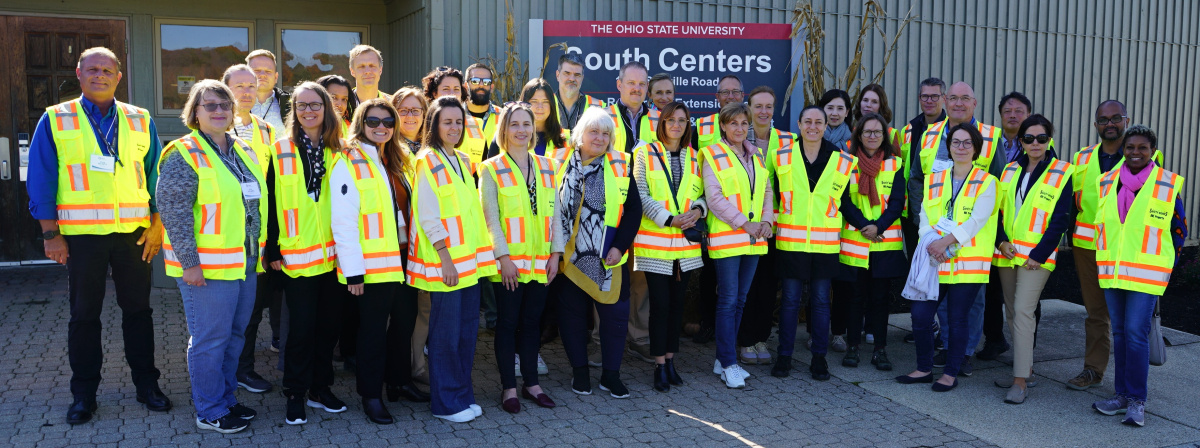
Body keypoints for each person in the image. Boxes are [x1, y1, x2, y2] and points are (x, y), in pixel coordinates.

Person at [26, 47, 170, 425]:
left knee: (139, 311)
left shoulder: (140, 118)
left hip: (133, 234)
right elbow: (42, 176)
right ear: (79, 72)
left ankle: (146, 385)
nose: (100, 75)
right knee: (84, 316)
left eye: (108, 70)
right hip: (82, 237)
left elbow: (155, 174)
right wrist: (49, 234)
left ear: (119, 77)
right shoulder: (56, 119)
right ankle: (83, 394)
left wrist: (158, 223)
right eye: (93, 69)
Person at [157, 80, 266, 433]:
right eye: (210, 105)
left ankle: (227, 398)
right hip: (205, 269)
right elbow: (173, 212)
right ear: (195, 112)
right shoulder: (183, 152)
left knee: (235, 337)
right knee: (209, 339)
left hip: (243, 263)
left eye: (225, 104)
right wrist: (189, 263)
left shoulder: (241, 149)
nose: (219, 111)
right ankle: (209, 410)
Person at [330, 99, 427, 424]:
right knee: (372, 332)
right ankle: (371, 395)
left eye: (388, 122)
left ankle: (398, 382)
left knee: (404, 324)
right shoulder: (349, 159)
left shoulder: (399, 157)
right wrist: (353, 272)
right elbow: (343, 221)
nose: (381, 127)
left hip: (404, 257)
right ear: (361, 122)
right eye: (373, 121)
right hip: (371, 265)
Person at [407, 96, 497, 422]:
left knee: (465, 335)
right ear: (434, 125)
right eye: (447, 122)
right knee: (445, 337)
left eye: (458, 122)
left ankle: (462, 395)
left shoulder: (461, 158)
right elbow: (428, 216)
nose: (454, 127)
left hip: (469, 264)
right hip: (446, 263)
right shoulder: (427, 160)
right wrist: (445, 257)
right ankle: (446, 403)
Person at [1090, 125, 1187, 427]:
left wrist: (1165, 267)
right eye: (1130, 147)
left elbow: (1179, 231)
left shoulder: (1166, 184)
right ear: (1123, 148)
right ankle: (1120, 396)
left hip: (1146, 275)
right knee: (1119, 333)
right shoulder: (1106, 181)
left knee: (1135, 334)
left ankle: (1136, 400)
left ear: (1152, 150)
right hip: (1113, 272)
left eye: (1142, 147)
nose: (1135, 152)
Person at [909, 82, 1006, 372]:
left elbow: (999, 186)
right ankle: (949, 347)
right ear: (944, 102)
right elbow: (916, 179)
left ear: (974, 103)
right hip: (934, 237)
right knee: (938, 299)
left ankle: (963, 353)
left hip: (971, 241)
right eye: (953, 98)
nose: (958, 103)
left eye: (965, 98)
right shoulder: (929, 135)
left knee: (970, 303)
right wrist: (924, 226)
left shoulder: (990, 137)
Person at [270, 82, 350, 425]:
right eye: (301, 105)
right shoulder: (280, 149)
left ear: (326, 108)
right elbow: (271, 202)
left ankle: (321, 388)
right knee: (300, 331)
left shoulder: (343, 150)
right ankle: (295, 393)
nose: (308, 110)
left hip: (335, 257)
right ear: (295, 110)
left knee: (328, 329)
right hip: (296, 257)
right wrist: (271, 246)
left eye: (315, 104)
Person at [897, 123, 998, 392]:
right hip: (935, 260)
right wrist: (932, 243)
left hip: (967, 264)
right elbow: (924, 217)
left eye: (967, 143)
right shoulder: (934, 178)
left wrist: (944, 242)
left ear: (976, 148)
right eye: (956, 142)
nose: (961, 147)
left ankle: (950, 373)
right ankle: (923, 368)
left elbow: (976, 221)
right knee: (920, 315)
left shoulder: (988, 182)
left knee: (957, 318)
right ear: (949, 146)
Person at [479, 103, 562, 413]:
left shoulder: (548, 166)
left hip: (541, 263)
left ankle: (532, 384)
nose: (521, 130)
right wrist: (503, 258)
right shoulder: (491, 168)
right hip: (510, 265)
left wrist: (556, 254)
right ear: (504, 130)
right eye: (514, 124)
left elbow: (555, 216)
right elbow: (491, 219)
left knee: (531, 324)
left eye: (526, 124)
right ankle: (508, 388)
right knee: (507, 324)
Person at [555, 106, 643, 398]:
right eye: (594, 131)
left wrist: (620, 247)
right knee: (572, 318)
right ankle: (580, 373)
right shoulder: (558, 163)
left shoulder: (620, 164)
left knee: (616, 319)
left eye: (606, 133)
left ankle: (611, 376)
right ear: (580, 135)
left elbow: (633, 210)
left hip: (609, 258)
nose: (600, 138)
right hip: (568, 257)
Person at [768, 105, 860, 381]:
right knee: (790, 302)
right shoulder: (781, 157)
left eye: (818, 122)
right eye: (807, 121)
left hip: (825, 244)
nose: (813, 126)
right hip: (790, 243)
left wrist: (867, 224)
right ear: (798, 124)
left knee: (820, 302)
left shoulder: (842, 160)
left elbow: (844, 202)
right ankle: (784, 356)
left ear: (825, 125)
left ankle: (819, 358)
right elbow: (771, 197)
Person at [990, 114, 1073, 404]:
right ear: (1021, 141)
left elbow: (1061, 220)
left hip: (1037, 258)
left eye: (1041, 138)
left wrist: (1038, 254)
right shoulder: (1010, 170)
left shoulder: (1062, 172)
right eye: (1028, 138)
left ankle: (1020, 381)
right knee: (1012, 313)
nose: (1034, 143)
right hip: (1008, 254)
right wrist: (1000, 241)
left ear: (1049, 139)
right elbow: (998, 212)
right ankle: (1026, 368)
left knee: (1024, 311)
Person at [631, 100, 706, 392]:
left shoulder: (695, 156)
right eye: (671, 119)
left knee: (677, 306)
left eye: (682, 121)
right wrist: (669, 219)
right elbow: (640, 194)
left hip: (685, 245)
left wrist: (699, 211)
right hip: (656, 243)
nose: (676, 125)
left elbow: (703, 194)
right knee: (660, 306)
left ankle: (672, 360)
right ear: (661, 123)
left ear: (688, 125)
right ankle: (659, 364)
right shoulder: (644, 153)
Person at [700, 102, 774, 389]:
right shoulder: (712, 154)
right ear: (723, 126)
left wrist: (767, 221)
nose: (740, 128)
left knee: (740, 300)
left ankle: (724, 358)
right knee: (728, 301)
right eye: (734, 124)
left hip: (755, 239)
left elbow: (766, 191)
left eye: (745, 123)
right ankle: (729, 363)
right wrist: (746, 223)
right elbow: (715, 198)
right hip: (729, 238)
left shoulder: (756, 155)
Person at [222, 64, 283, 394]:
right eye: (239, 85)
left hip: (261, 230)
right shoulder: (216, 126)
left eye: (252, 85)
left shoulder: (266, 131)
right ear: (226, 88)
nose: (247, 91)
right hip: (229, 232)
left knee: (256, 305)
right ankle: (234, 369)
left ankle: (244, 370)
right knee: (237, 310)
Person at [1066, 100, 1135, 391]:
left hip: (1124, 249)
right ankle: (1093, 370)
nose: (1110, 123)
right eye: (1103, 119)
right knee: (1096, 313)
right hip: (1087, 246)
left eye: (1115, 118)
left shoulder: (1142, 155)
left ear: (1126, 121)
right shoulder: (1081, 158)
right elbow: (1071, 201)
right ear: (1095, 125)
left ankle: (1131, 378)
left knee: (1128, 318)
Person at [836, 113, 907, 371]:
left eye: (878, 132)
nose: (873, 136)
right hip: (855, 242)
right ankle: (853, 347)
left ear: (885, 136)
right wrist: (864, 226)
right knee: (854, 298)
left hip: (884, 244)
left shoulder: (895, 163)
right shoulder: (846, 163)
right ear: (859, 135)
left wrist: (878, 227)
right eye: (867, 132)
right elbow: (843, 201)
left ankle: (880, 349)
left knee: (879, 300)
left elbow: (898, 202)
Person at [976, 91, 1036, 363]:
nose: (1013, 115)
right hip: (992, 224)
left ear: (1028, 114)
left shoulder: (1040, 144)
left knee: (1027, 293)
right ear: (1000, 115)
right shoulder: (988, 142)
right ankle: (995, 339)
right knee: (992, 288)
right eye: (1008, 111)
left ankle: (1027, 347)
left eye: (1019, 111)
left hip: (1028, 231)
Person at [601, 61, 655, 363]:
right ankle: (600, 341)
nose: (636, 88)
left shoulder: (660, 118)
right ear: (619, 84)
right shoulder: (602, 117)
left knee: (641, 278)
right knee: (605, 273)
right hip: (611, 208)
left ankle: (640, 337)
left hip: (646, 209)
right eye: (630, 83)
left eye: (642, 84)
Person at [386, 87, 435, 399]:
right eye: (403, 110)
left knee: (423, 312)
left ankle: (413, 369)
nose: (410, 116)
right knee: (400, 315)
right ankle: (398, 375)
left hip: (428, 244)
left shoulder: (430, 149)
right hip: (397, 246)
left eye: (416, 110)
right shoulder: (387, 150)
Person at [737, 86, 788, 366]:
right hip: (744, 226)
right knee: (747, 285)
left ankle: (761, 338)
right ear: (749, 107)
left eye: (769, 106)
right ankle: (745, 340)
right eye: (758, 106)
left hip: (774, 227)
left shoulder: (788, 140)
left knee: (767, 286)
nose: (764, 112)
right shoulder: (737, 138)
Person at [317, 73, 361, 372]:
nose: (340, 104)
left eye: (345, 99)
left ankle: (346, 353)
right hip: (314, 239)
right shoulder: (304, 136)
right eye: (334, 97)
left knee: (346, 304)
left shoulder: (348, 136)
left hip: (345, 234)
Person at [421, 66, 488, 165]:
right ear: (435, 93)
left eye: (456, 89)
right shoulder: (422, 123)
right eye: (446, 89)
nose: (452, 94)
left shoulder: (476, 125)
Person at [554, 54, 605, 131]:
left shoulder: (598, 107)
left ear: (582, 78)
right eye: (567, 73)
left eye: (577, 75)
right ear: (558, 75)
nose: (572, 79)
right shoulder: (546, 104)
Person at [695, 75, 745, 150]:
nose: (731, 96)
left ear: (742, 96)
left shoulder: (751, 125)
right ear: (718, 97)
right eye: (725, 92)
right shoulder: (703, 126)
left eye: (735, 92)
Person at [246, 49, 289, 130]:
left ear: (276, 77)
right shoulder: (232, 105)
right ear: (246, 74)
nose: (262, 75)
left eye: (268, 71)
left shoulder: (290, 105)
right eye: (257, 71)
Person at [465, 62, 501, 143]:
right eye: (475, 81)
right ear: (465, 86)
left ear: (491, 87)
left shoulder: (504, 117)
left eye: (486, 82)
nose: (481, 85)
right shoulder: (456, 116)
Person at [317, 75, 358, 143]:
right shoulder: (310, 125)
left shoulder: (352, 129)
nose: (339, 105)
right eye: (333, 97)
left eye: (344, 99)